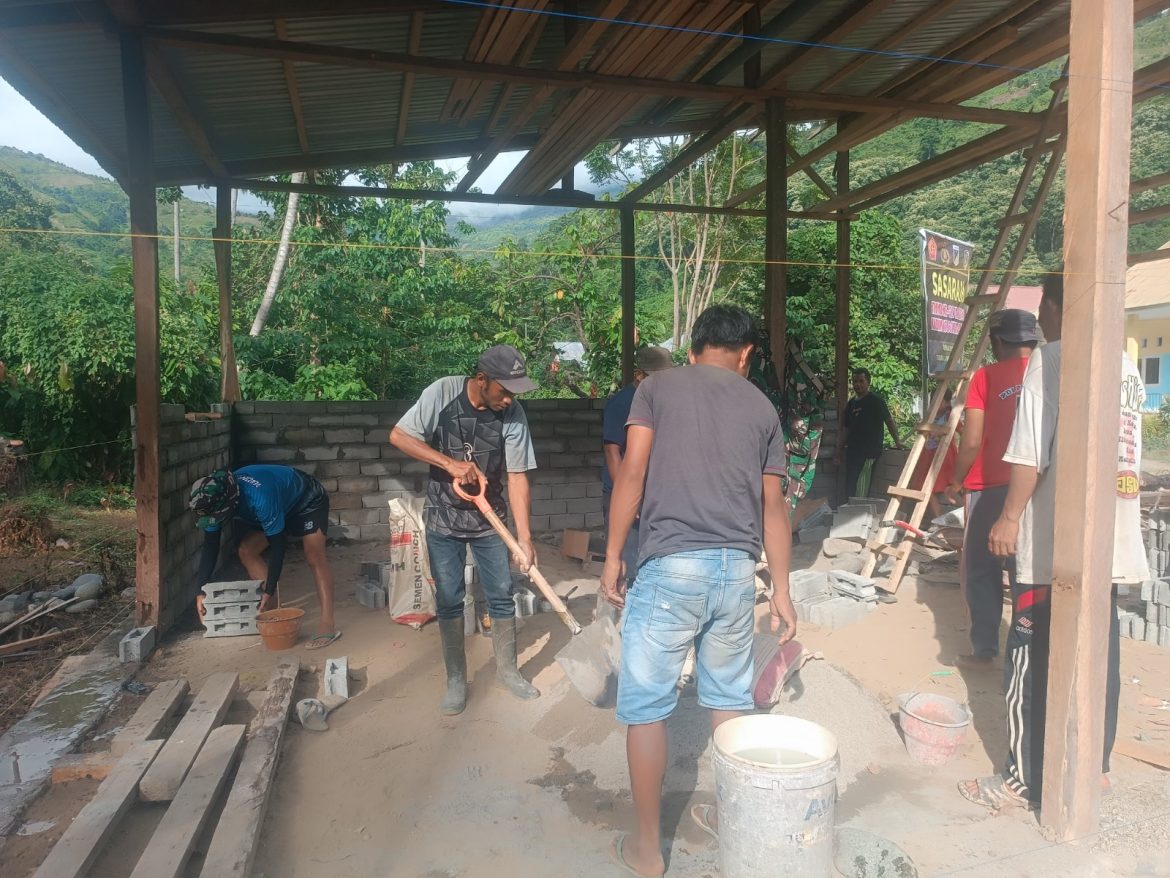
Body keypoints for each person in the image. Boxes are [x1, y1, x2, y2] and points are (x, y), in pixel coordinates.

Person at [600, 305, 795, 878]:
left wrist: (613, 556)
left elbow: (632, 473)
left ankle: (647, 851)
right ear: (746, 353)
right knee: (729, 701)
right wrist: (782, 590)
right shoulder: (762, 407)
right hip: (736, 573)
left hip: (669, 568)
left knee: (646, 709)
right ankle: (736, 826)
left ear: (692, 349)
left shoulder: (655, 389)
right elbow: (774, 506)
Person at [959, 274, 1147, 810]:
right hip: (1108, 540)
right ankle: (1095, 768)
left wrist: (1009, 517)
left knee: (1028, 653)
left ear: (1065, 307)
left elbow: (1029, 453)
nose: (1041, 320)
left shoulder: (1052, 359)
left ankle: (1021, 779)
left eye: (1046, 306)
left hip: (1052, 543)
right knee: (1098, 654)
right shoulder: (1126, 366)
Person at [389, 343, 540, 716]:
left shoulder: (513, 414)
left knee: (501, 594)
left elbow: (517, 476)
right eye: (504, 390)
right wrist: (449, 464)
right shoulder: (442, 393)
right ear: (481, 379)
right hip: (444, 518)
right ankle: (456, 680)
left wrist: (524, 538)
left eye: (515, 392)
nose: (509, 399)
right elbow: (399, 436)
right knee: (450, 598)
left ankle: (508, 671)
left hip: (490, 521)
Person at [942, 309, 1040, 668]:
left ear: (997, 341)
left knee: (982, 571)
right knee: (1026, 572)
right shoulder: (1048, 373)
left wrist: (956, 480)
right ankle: (1026, 651)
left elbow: (971, 441)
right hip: (1034, 488)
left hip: (988, 489)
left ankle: (984, 650)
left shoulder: (985, 377)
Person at [189, 464, 339, 650]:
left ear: (230, 502)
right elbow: (211, 546)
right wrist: (200, 591)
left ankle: (327, 622)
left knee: (314, 556)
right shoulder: (214, 500)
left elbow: (278, 546)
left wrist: (268, 588)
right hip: (280, 504)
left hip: (306, 500)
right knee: (246, 551)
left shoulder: (259, 498)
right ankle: (276, 612)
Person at [601, 345, 673, 577]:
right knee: (626, 562)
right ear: (639, 375)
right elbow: (612, 452)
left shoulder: (663, 401)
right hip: (624, 491)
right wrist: (628, 497)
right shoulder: (622, 403)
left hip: (652, 493)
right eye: (657, 378)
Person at [839, 368, 903, 505]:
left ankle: (859, 512)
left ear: (868, 382)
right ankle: (849, 511)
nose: (858, 384)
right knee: (850, 485)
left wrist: (897, 441)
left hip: (869, 452)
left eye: (861, 381)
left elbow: (889, 421)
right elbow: (846, 429)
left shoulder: (876, 401)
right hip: (853, 451)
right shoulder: (851, 404)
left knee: (862, 486)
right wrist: (838, 450)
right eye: (855, 381)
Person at [911, 388, 958, 521]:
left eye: (938, 400)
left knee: (942, 488)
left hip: (944, 457)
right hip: (929, 455)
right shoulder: (931, 416)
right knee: (923, 488)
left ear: (946, 402)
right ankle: (938, 520)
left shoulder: (950, 416)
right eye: (933, 400)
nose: (934, 403)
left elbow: (962, 430)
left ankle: (943, 519)